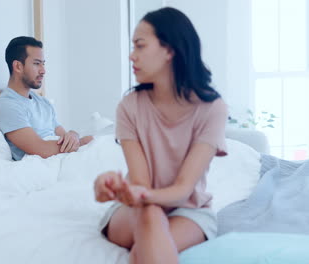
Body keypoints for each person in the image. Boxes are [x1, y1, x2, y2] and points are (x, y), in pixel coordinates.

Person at [94, 7, 228, 264]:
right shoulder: (130, 106)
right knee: (150, 214)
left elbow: (183, 189)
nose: (132, 56)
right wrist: (121, 188)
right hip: (133, 208)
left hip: (188, 209)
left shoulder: (212, 108)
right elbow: (142, 183)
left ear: (170, 50)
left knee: (146, 247)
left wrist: (142, 195)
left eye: (140, 46)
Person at [0, 36, 93, 161]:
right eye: (36, 64)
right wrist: (81, 142)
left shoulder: (42, 102)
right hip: (42, 166)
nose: (43, 70)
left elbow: (64, 135)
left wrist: (74, 135)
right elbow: (41, 149)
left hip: (61, 159)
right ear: (18, 66)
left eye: (43, 64)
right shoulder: (8, 106)